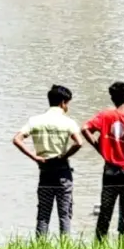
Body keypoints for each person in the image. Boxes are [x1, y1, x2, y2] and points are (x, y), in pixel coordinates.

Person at [13, 85, 82, 238]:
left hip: (44, 170)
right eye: (67, 103)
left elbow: (17, 139)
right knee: (64, 214)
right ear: (63, 103)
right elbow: (79, 143)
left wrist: (34, 157)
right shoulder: (68, 122)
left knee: (43, 213)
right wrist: (64, 156)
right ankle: (65, 248)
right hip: (62, 170)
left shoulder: (35, 121)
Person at [82, 82, 124, 241]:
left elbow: (84, 129)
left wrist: (100, 148)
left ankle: (99, 246)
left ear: (112, 98)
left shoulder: (105, 116)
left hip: (110, 171)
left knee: (105, 211)